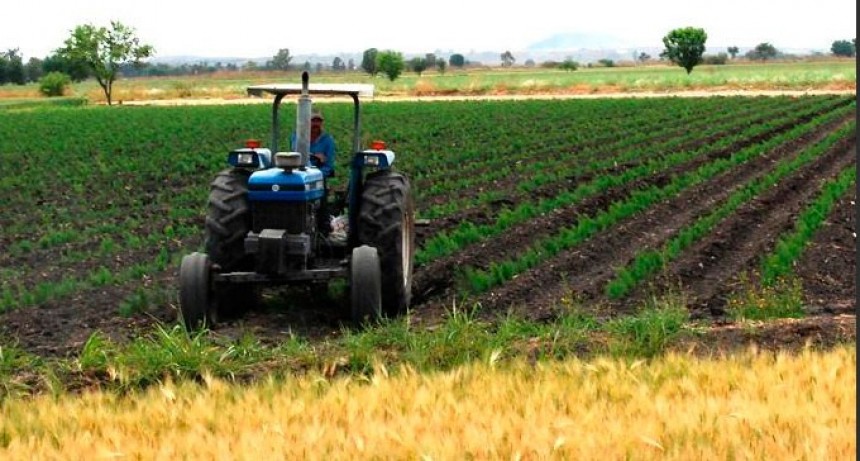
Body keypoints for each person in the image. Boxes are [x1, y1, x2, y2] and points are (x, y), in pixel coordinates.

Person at [290, 108, 336, 177]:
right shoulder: (298, 136)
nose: (316, 124)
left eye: (318, 121)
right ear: (306, 122)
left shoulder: (328, 140)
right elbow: (297, 153)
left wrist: (315, 174)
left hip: (319, 172)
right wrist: (315, 155)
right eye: (313, 121)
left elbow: (328, 165)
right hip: (299, 171)